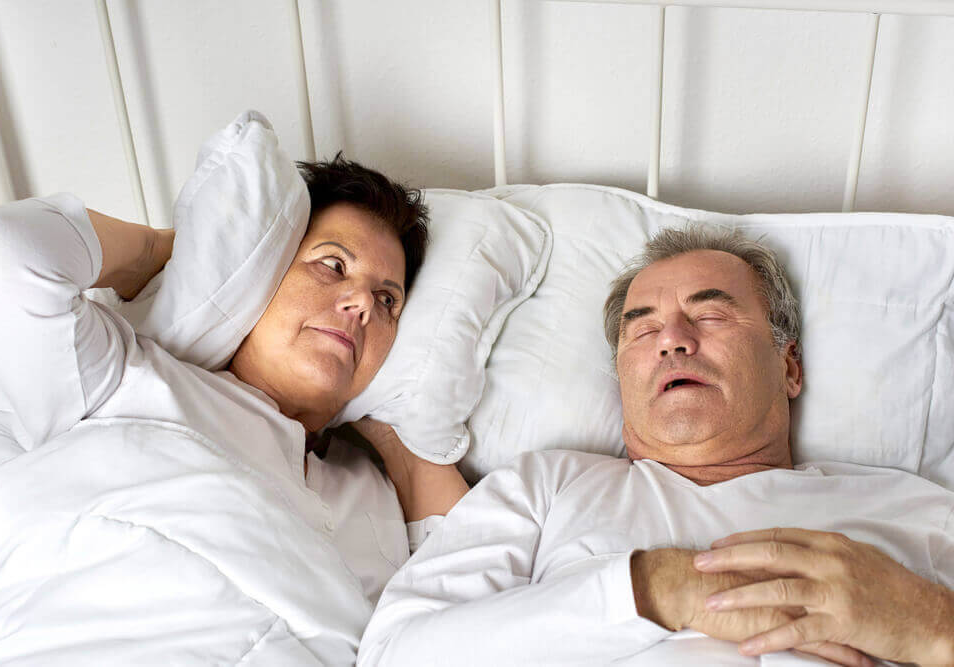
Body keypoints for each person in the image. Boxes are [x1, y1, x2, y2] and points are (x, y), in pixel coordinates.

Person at [357, 226, 954, 666]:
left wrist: (931, 623)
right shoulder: (545, 486)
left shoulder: (915, 509)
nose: (672, 339)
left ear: (789, 366)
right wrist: (656, 588)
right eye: (642, 329)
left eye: (711, 316)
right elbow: (394, 654)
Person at [0, 155, 466, 663]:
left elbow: (464, 587)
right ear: (262, 273)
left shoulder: (370, 492)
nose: (363, 303)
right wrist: (161, 253)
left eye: (388, 300)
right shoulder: (131, 380)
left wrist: (398, 434)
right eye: (333, 266)